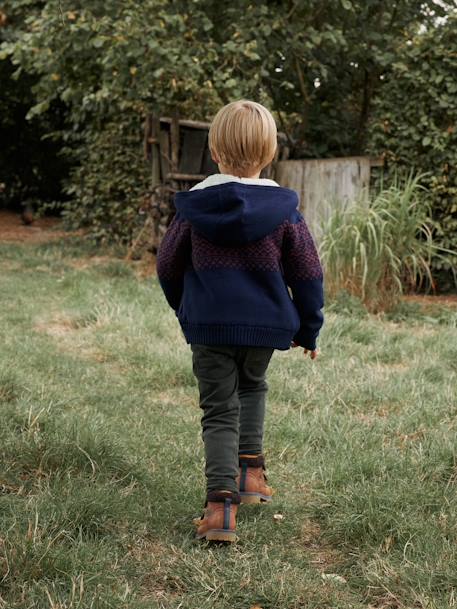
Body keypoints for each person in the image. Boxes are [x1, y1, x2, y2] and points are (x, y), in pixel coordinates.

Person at [156, 100, 324, 543]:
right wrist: (309, 328)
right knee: (252, 386)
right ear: (269, 153)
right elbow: (307, 272)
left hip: (209, 327)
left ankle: (219, 511)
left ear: (214, 150)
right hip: (265, 328)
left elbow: (168, 267)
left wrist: (186, 308)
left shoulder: (195, 208)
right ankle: (251, 475)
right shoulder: (284, 210)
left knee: (218, 410)